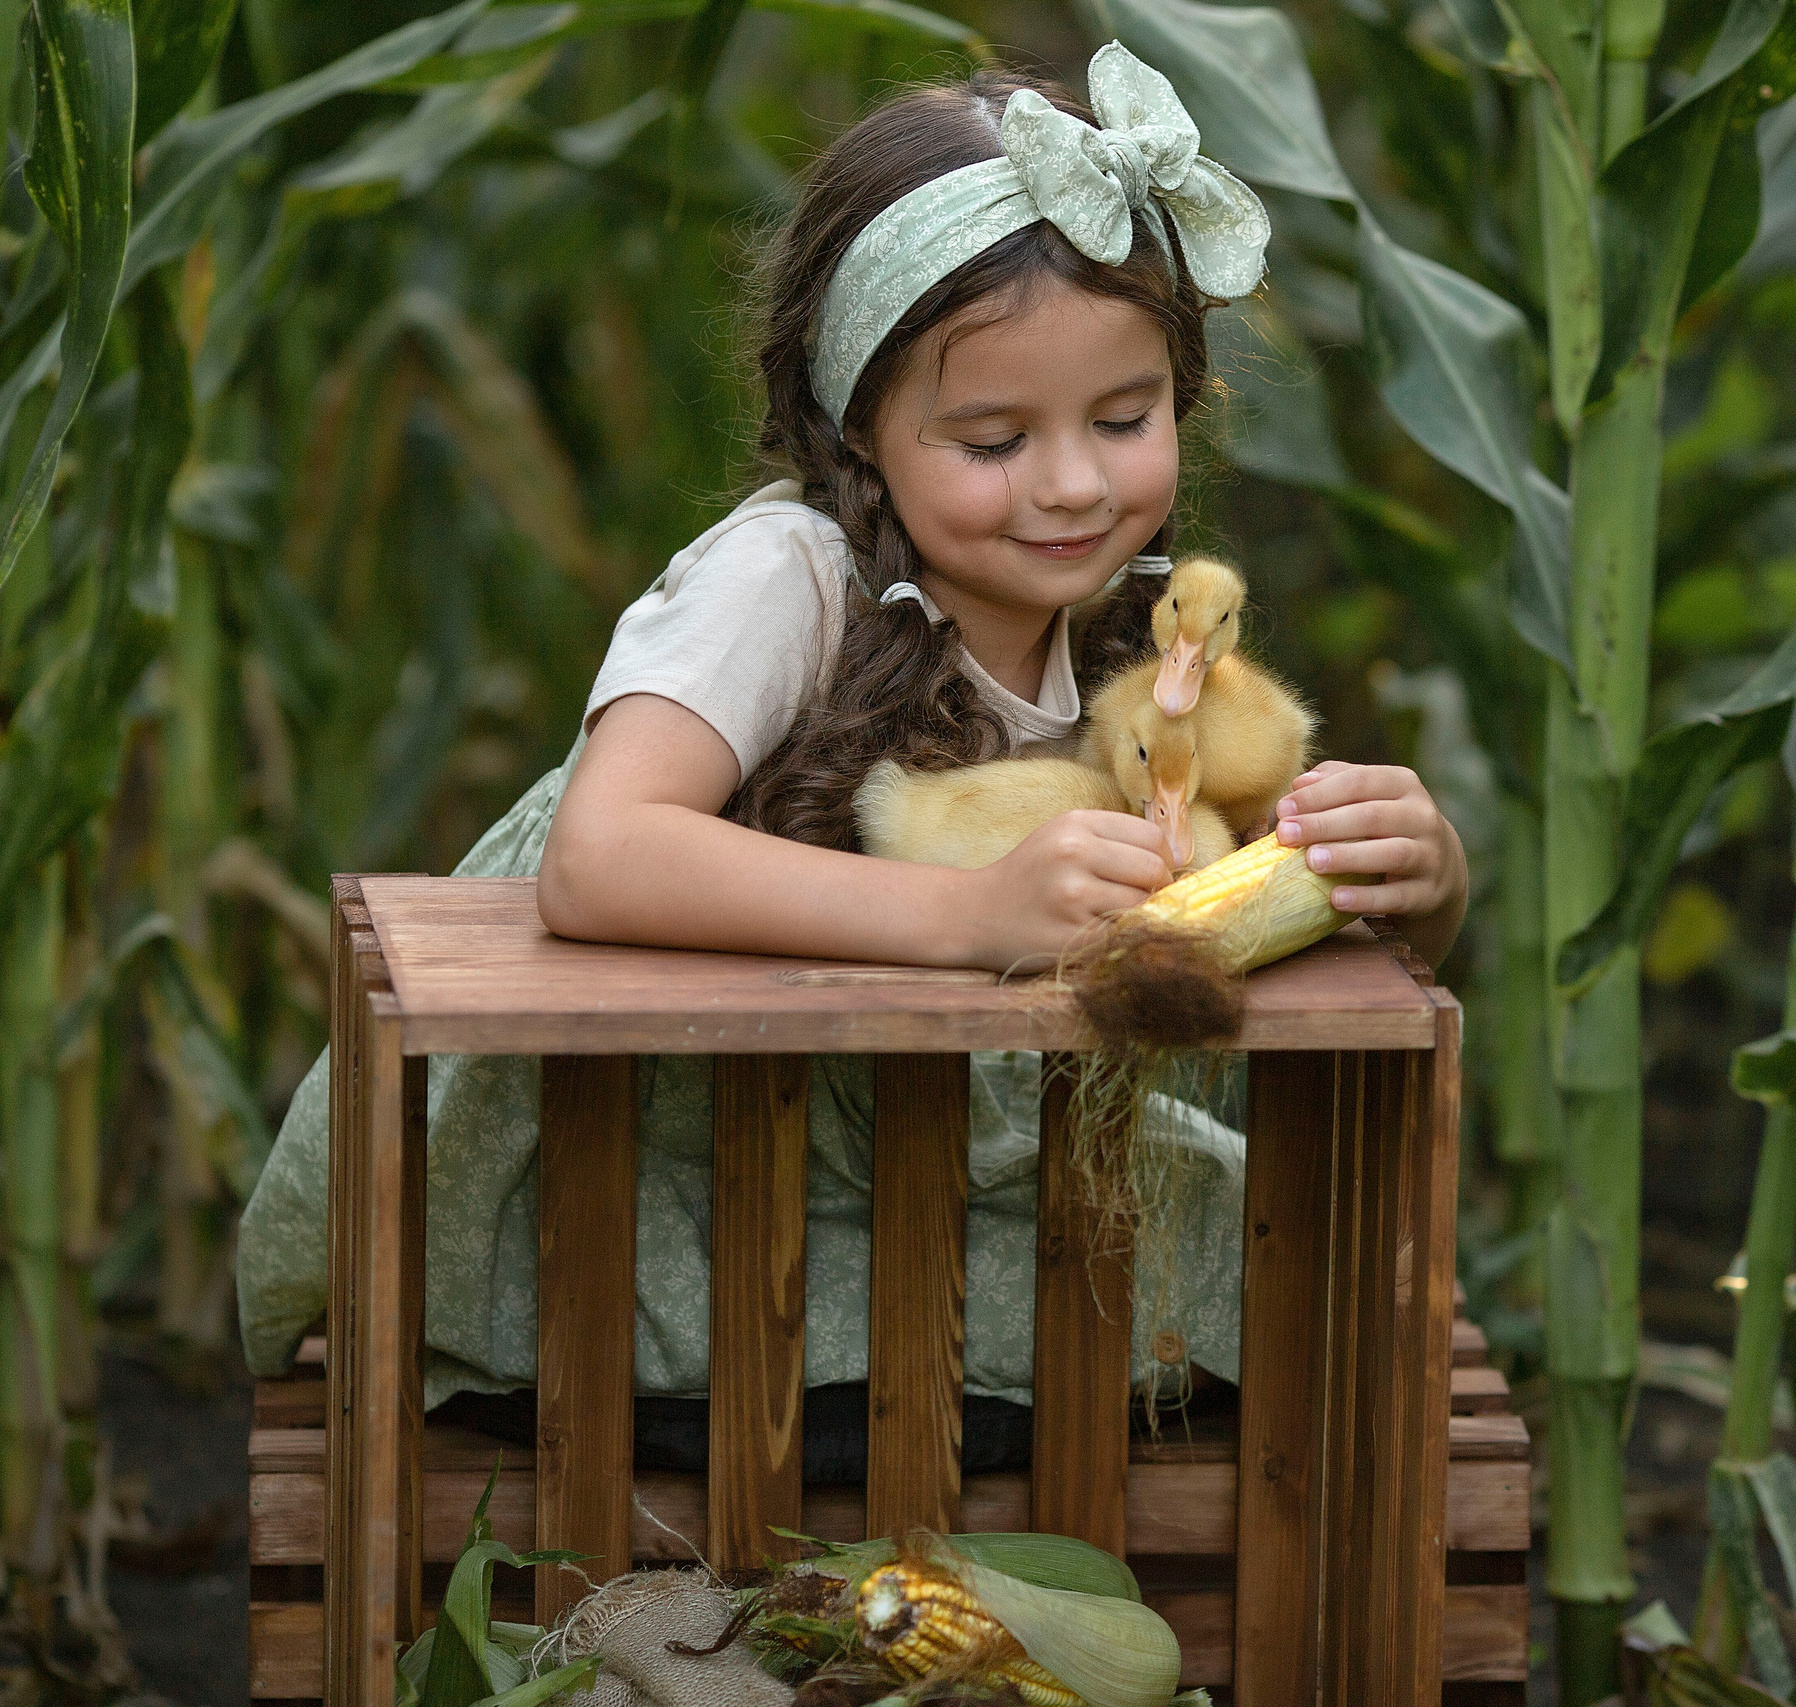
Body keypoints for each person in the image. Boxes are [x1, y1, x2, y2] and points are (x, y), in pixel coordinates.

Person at [233, 45, 1470, 1455]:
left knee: (1351, 1293)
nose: (1072, 483)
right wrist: (967, 913)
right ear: (856, 431)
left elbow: (1200, 913)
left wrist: (1397, 880)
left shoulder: (1148, 631)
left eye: (1125, 421)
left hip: (945, 1151)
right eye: (994, 438)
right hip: (672, 1176)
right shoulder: (788, 577)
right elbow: (600, 856)